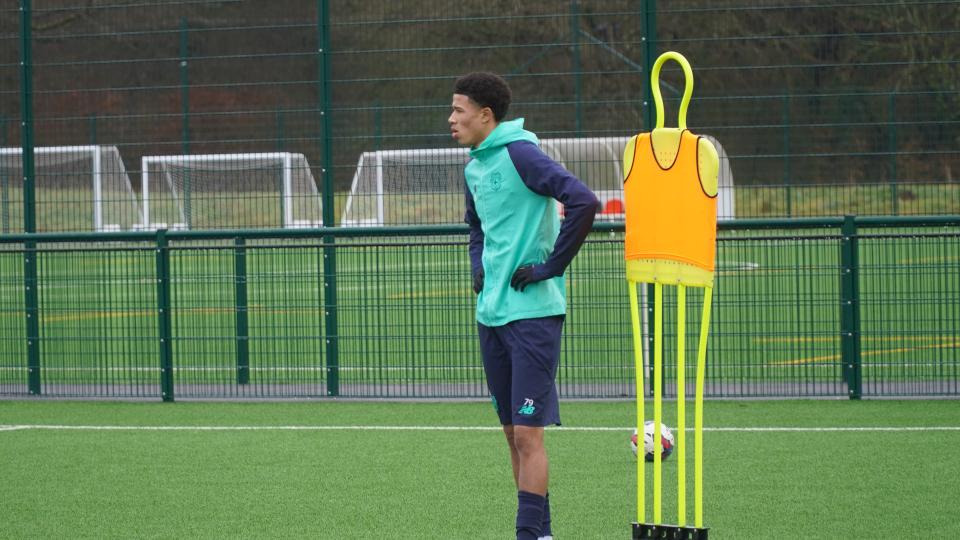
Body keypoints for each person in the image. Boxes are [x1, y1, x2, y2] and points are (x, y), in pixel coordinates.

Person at [449, 72, 599, 540]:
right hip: (490, 316)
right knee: (513, 435)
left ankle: (528, 535)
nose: (451, 119)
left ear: (485, 115)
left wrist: (550, 267)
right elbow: (476, 226)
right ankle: (543, 534)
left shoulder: (522, 154)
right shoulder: (474, 166)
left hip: (532, 315)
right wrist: (479, 266)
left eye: (459, 110)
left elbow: (583, 201)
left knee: (530, 435)